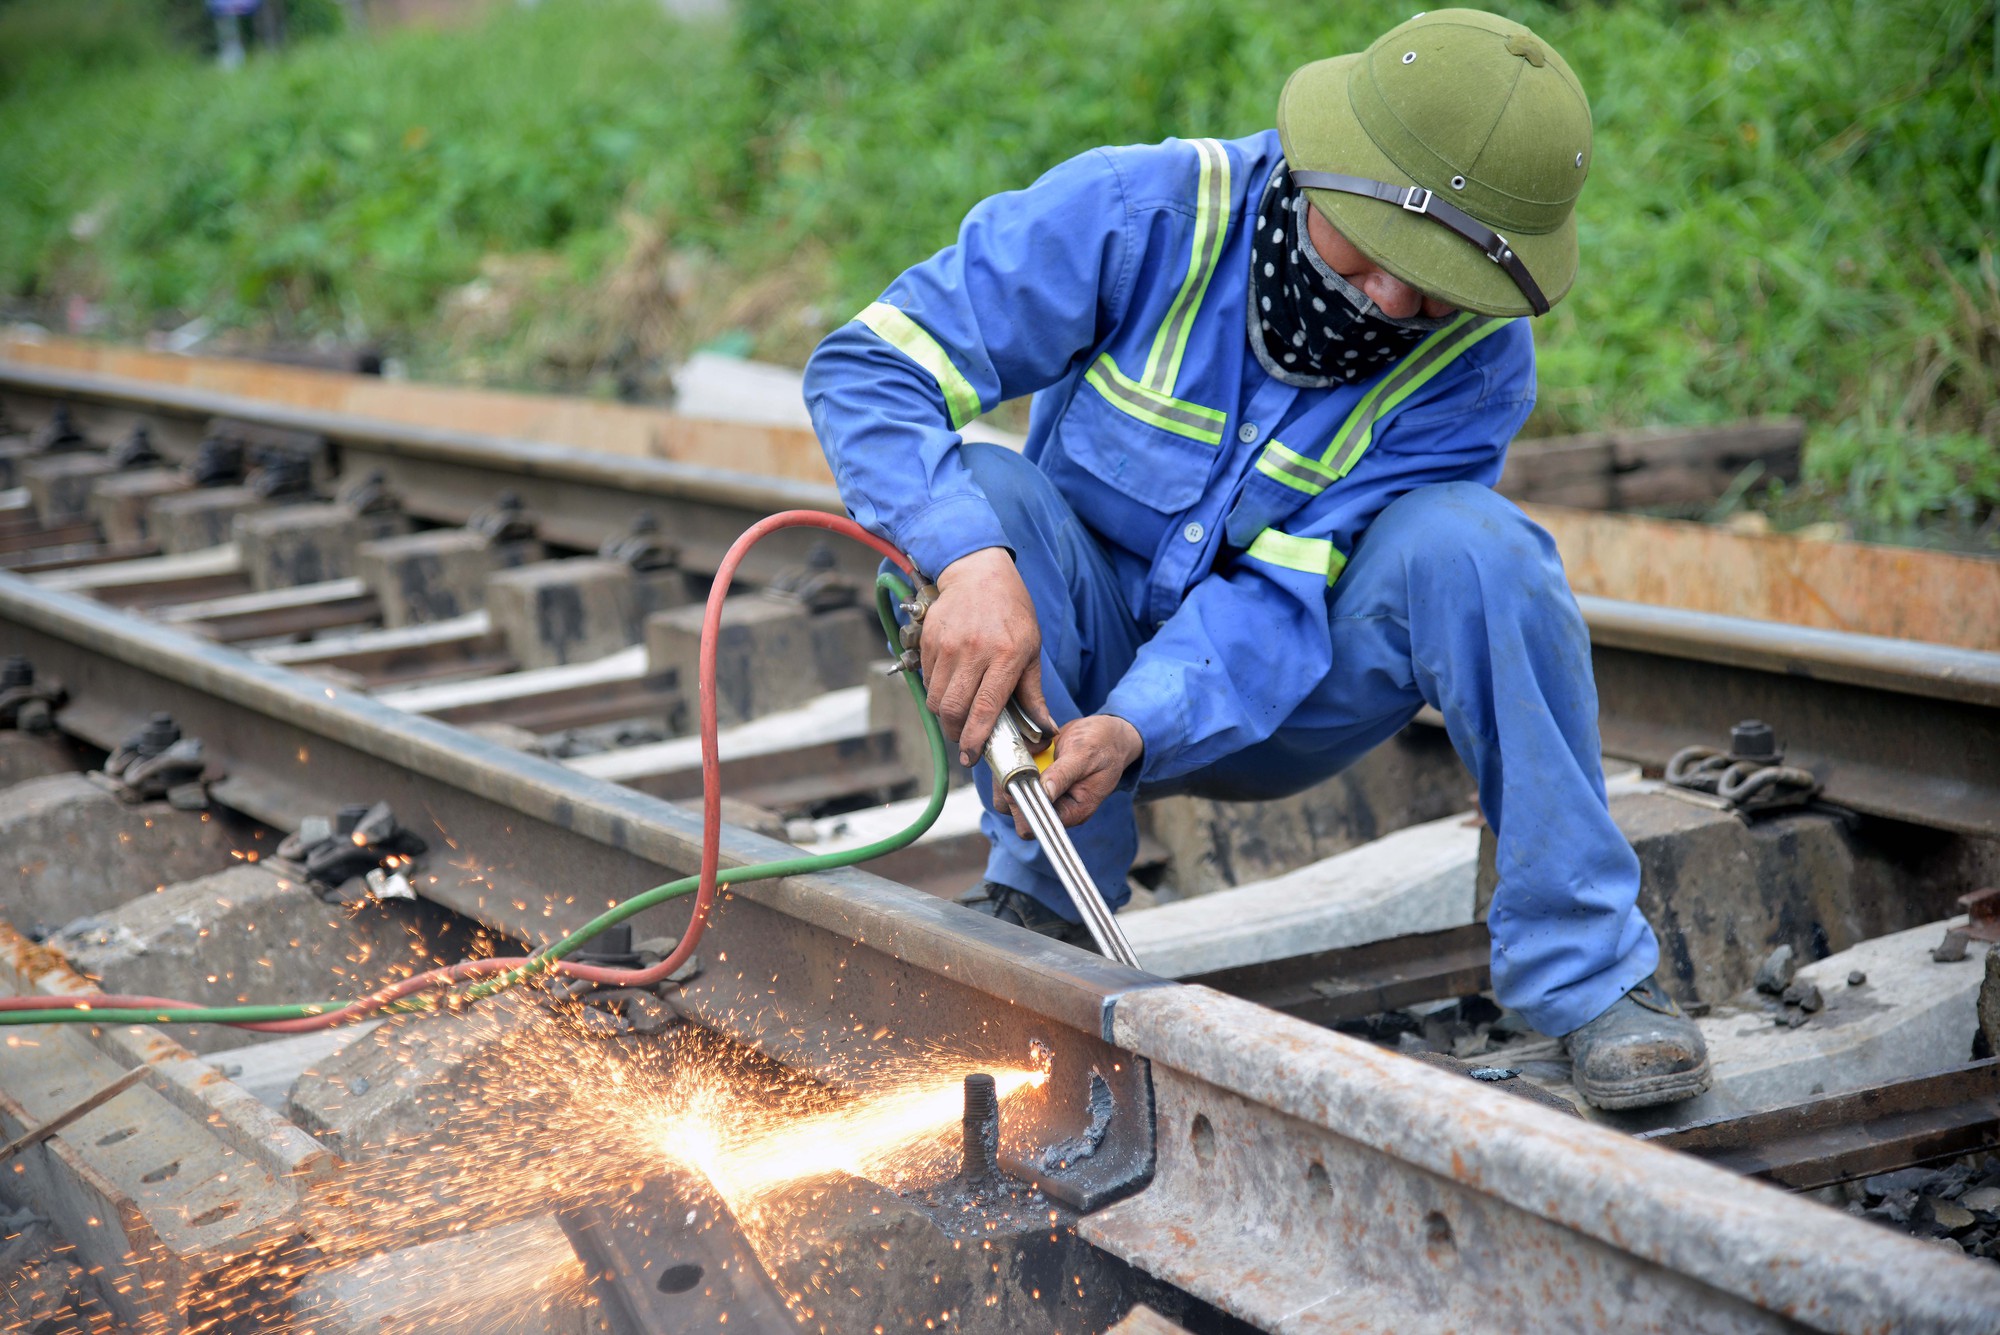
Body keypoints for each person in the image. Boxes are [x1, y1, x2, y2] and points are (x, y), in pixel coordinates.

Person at [803, 8, 1709, 1111]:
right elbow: (870, 366)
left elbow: (1278, 594)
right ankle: (1043, 891)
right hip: (1067, 651)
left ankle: (1588, 980)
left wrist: (1138, 727)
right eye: (1375, 254)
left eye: (1433, 284)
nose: (1390, 301)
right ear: (1324, 172)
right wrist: (971, 561)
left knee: (1481, 551)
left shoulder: (1473, 368)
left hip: (1278, 693)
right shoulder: (1141, 212)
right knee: (982, 500)